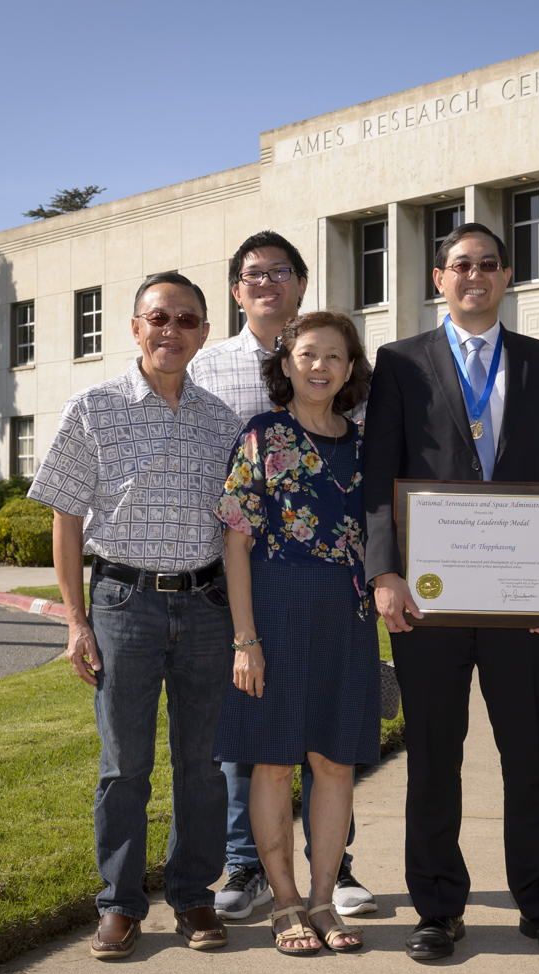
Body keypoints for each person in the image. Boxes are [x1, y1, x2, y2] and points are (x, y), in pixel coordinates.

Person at [364, 222, 539, 961]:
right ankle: (437, 908)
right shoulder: (399, 362)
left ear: (508, 276)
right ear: (439, 278)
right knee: (433, 755)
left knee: (529, 756)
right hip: (428, 598)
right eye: (461, 265)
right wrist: (384, 572)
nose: (475, 276)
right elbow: (378, 475)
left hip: (520, 597)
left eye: (489, 265)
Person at [29, 272, 240, 960]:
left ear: (204, 333)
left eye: (185, 319)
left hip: (206, 606)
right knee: (125, 765)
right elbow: (65, 520)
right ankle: (118, 904)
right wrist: (75, 620)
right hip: (123, 605)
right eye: (158, 317)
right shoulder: (92, 407)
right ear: (135, 326)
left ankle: (193, 896)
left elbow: (238, 528)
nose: (170, 330)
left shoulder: (222, 422)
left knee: (202, 764)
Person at [188, 231, 375, 921]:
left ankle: (326, 897)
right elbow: (235, 544)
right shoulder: (260, 438)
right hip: (271, 607)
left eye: (333, 356)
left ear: (350, 365)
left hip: (347, 617)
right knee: (269, 759)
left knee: (333, 761)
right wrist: (245, 640)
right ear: (286, 364)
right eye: (307, 355)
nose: (320, 366)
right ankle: (287, 901)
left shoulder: (365, 445)